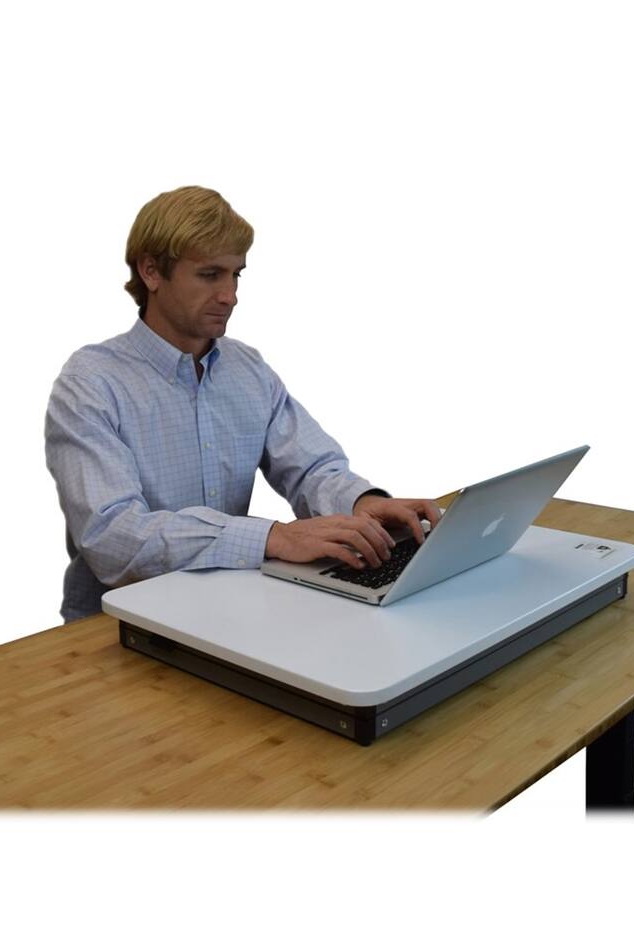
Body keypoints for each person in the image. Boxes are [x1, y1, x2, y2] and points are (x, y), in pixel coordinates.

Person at [45, 185, 441, 622]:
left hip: (227, 614)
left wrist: (361, 503)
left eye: (236, 275)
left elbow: (310, 468)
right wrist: (273, 538)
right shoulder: (90, 384)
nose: (229, 295)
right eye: (210, 274)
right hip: (114, 628)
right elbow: (111, 536)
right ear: (152, 272)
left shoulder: (246, 369)